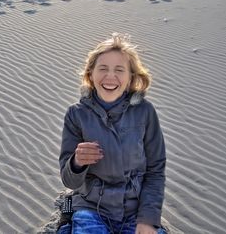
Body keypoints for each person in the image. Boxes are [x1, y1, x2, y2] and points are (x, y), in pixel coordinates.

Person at [58, 33, 166, 234]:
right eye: (103, 68)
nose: (110, 76)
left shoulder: (145, 112)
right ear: (90, 74)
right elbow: (69, 180)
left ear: (131, 77)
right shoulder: (76, 115)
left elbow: (156, 171)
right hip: (91, 207)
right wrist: (76, 163)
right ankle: (67, 218)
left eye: (119, 70)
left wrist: (148, 219)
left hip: (135, 210)